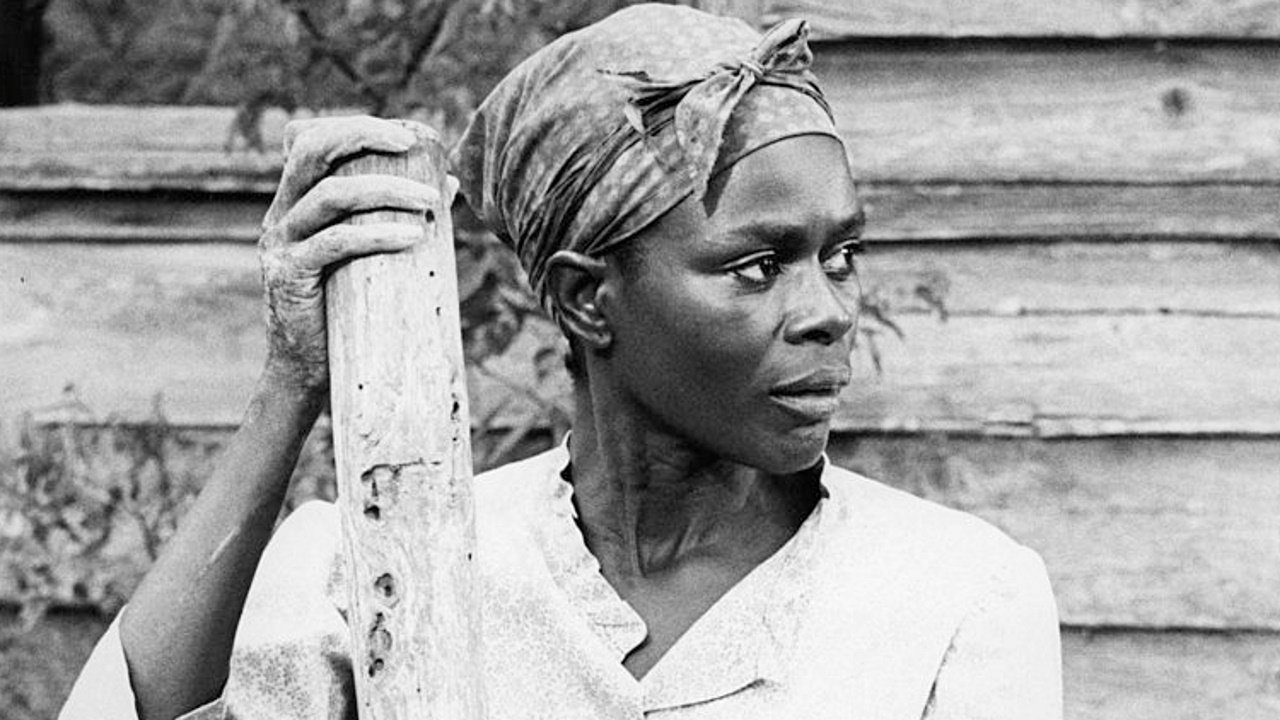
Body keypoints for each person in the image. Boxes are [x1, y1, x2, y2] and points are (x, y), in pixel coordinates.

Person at [61, 5, 1062, 719]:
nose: (829, 314)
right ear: (588, 298)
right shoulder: (388, 567)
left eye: (839, 257)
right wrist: (292, 385)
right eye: (757, 267)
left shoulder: (953, 600)